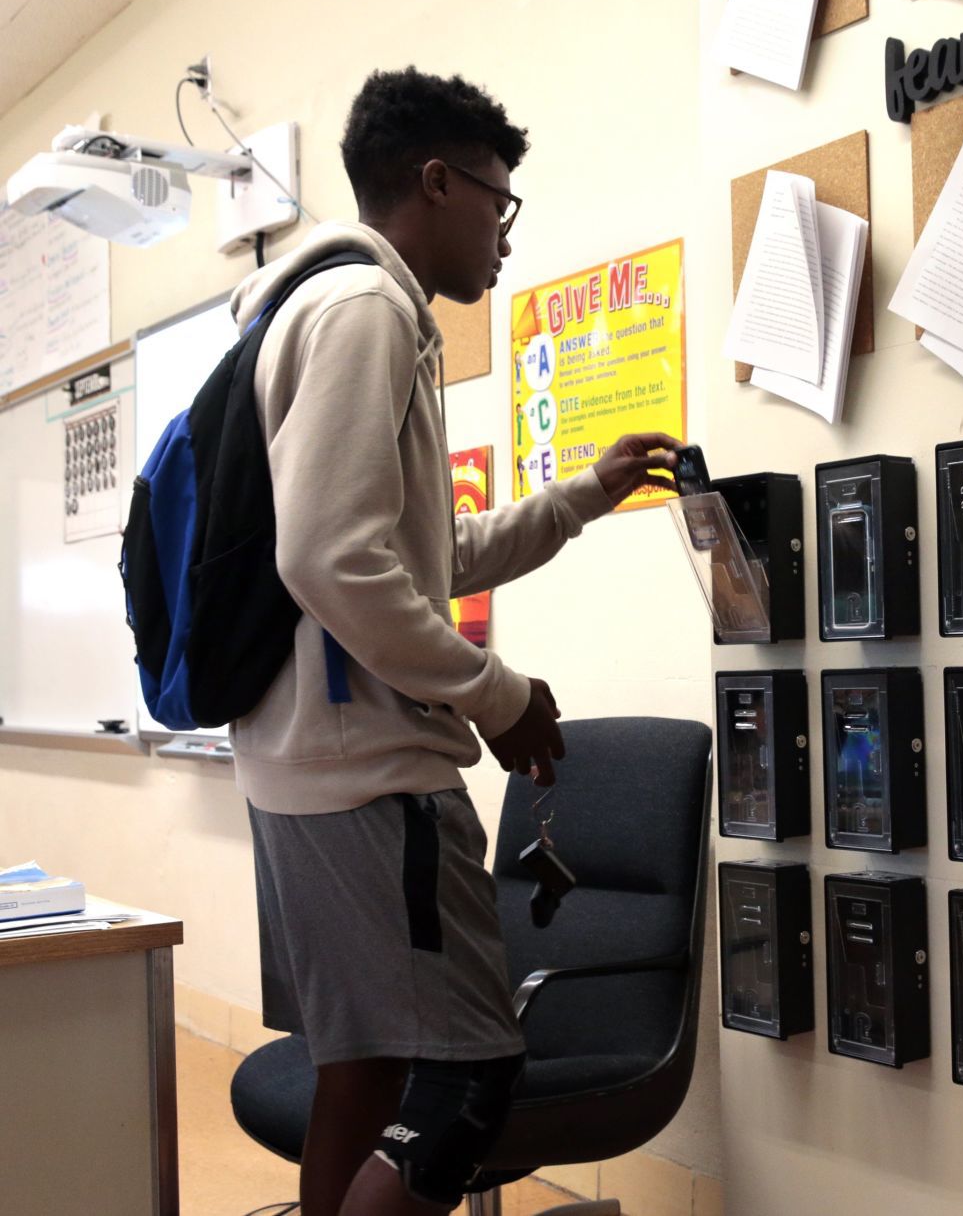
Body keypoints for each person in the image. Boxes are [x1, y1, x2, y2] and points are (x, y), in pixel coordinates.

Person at [230, 67, 680, 1215]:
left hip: (308, 768)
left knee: (364, 1065)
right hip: (372, 779)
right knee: (466, 1081)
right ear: (434, 182)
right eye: (497, 201)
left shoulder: (307, 308)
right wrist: (496, 694)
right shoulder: (368, 311)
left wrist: (581, 494)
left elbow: (422, 557)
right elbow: (331, 559)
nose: (503, 234)